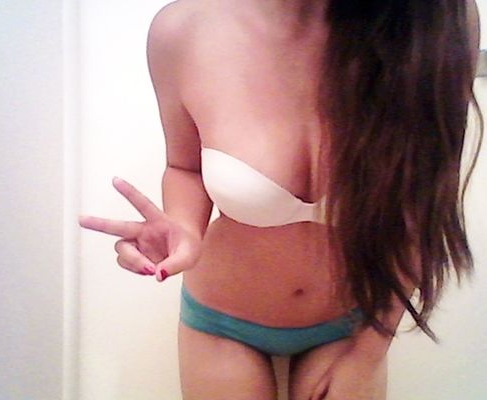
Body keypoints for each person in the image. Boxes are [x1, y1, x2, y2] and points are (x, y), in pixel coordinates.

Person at [79, 0, 483, 398]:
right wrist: (184, 228)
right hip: (222, 322)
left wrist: (367, 355)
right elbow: (185, 166)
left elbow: (422, 209)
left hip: (353, 325)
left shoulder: (433, 18)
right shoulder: (182, 29)